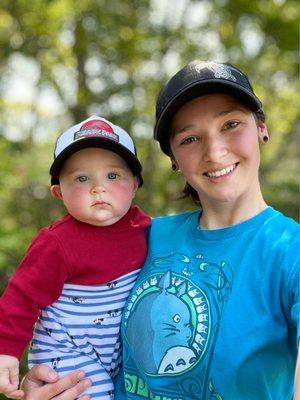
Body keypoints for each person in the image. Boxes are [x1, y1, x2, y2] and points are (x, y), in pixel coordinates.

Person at [21, 60, 299, 400]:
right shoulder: (143, 235)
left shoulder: (289, 252)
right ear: (174, 160)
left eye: (231, 124)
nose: (214, 151)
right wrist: (48, 379)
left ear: (261, 129)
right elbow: (72, 318)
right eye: (190, 138)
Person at [0, 116, 151, 400]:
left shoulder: (145, 230)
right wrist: (5, 350)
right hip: (67, 352)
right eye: (82, 178)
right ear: (60, 193)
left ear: (134, 184)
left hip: (116, 355)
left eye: (113, 175)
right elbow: (21, 296)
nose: (98, 187)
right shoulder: (57, 242)